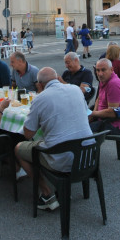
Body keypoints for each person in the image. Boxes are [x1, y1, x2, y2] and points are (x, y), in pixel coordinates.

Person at [16, 67, 93, 212]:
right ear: (57, 78)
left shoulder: (40, 98)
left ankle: (46, 193)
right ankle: (61, 189)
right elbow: (85, 113)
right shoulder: (76, 90)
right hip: (88, 154)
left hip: (62, 158)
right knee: (58, 137)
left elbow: (27, 134)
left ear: (39, 85)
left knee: (19, 148)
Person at [90, 58, 120, 136]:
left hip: (116, 124)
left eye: (103, 70)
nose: (100, 74)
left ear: (111, 69)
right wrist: (92, 115)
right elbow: (99, 98)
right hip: (104, 118)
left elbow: (112, 112)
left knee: (81, 131)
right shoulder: (104, 80)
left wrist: (92, 113)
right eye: (98, 70)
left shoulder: (113, 84)